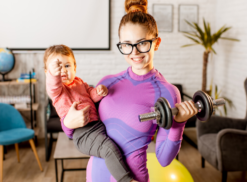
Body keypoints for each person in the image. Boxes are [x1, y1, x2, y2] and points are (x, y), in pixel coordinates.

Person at [62, 0, 198, 181]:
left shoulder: (167, 92)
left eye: (142, 43)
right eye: (126, 44)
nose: (134, 52)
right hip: (96, 175)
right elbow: (78, 132)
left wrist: (178, 124)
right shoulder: (106, 84)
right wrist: (68, 123)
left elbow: (164, 159)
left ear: (156, 43)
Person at [44, 45, 136, 182]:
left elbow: (91, 95)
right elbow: (53, 85)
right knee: (108, 149)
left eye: (67, 65)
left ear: (75, 67)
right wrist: (53, 75)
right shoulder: (57, 92)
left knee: (119, 142)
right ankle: (126, 180)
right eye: (58, 67)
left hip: (98, 125)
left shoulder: (79, 82)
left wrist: (99, 91)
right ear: (48, 72)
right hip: (83, 133)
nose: (63, 70)